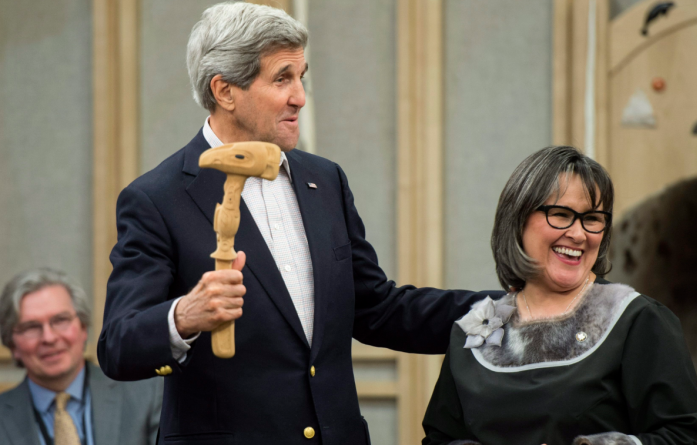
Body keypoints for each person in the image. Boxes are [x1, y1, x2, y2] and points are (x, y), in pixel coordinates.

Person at [97, 3, 501, 444]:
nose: (300, 97)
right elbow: (118, 346)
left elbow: (378, 310)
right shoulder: (156, 198)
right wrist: (185, 315)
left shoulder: (324, 179)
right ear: (225, 91)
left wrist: (511, 311)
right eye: (282, 78)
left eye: (301, 77)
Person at [422, 146, 697, 445]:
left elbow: (688, 439)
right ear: (517, 221)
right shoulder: (476, 330)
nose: (579, 234)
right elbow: (439, 440)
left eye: (592, 218)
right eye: (560, 214)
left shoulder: (638, 321)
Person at [0, 268, 161, 445]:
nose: (49, 338)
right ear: (12, 344)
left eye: (60, 320)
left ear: (83, 327)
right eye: (31, 327)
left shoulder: (147, 395)